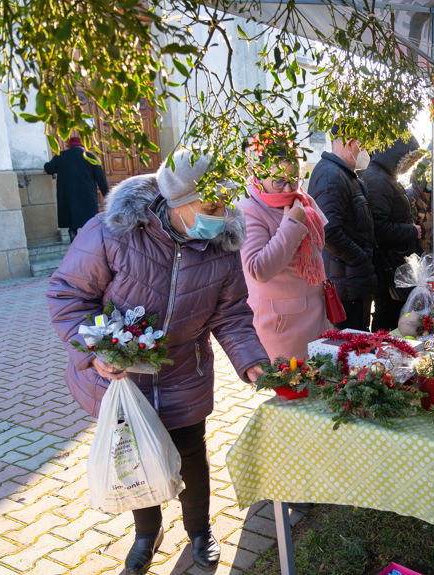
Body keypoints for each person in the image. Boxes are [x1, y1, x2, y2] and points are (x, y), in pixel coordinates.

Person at [47, 149, 269, 575]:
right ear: (176, 200)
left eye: (224, 205)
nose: (219, 216)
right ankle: (147, 534)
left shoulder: (220, 245)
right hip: (123, 378)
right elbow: (68, 296)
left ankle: (200, 530)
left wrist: (252, 361)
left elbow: (232, 315)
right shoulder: (114, 232)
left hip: (185, 372)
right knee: (134, 457)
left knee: (191, 456)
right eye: (209, 206)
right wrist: (97, 352)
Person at [238, 142, 329, 361]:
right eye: (278, 181)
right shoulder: (249, 206)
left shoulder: (304, 200)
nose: (288, 190)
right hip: (281, 324)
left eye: (294, 180)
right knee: (289, 389)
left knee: (318, 382)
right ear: (259, 175)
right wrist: (291, 226)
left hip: (316, 312)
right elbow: (257, 268)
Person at [307, 123, 376, 331]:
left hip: (353, 281)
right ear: (350, 143)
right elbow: (329, 232)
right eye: (362, 146)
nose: (364, 152)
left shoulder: (344, 173)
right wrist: (361, 259)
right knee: (351, 350)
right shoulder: (331, 175)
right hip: (346, 285)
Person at [362, 136, 423, 331]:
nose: (412, 165)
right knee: (387, 316)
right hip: (388, 266)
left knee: (392, 314)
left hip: (394, 263)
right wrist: (411, 231)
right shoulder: (378, 180)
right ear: (398, 156)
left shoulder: (384, 176)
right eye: (411, 160)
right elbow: (380, 229)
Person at [44, 136, 110, 241]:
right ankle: (87, 241)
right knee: (88, 220)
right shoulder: (90, 157)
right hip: (86, 194)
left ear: (69, 146)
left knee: (71, 215)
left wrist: (47, 165)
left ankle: (72, 232)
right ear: (82, 146)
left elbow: (49, 168)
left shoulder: (60, 156)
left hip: (67, 194)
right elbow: (101, 178)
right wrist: (107, 196)